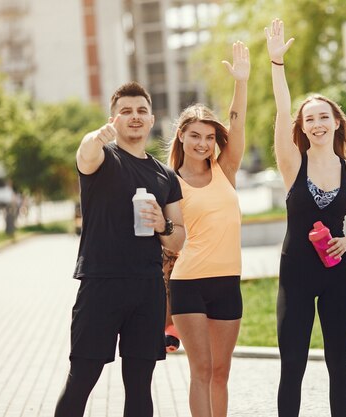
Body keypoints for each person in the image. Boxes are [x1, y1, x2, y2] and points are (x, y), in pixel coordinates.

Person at [54, 82, 186, 417]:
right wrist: (96, 137)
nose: (135, 117)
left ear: (152, 118)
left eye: (141, 110)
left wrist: (163, 226)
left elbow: (179, 238)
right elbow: (85, 154)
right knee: (83, 377)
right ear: (114, 118)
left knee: (140, 384)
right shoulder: (102, 158)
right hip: (101, 283)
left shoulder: (165, 176)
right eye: (126, 111)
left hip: (147, 287)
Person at [266, 19, 346, 417]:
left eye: (323, 117)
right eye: (309, 118)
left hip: (337, 277)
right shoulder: (293, 163)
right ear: (302, 127)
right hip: (295, 275)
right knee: (292, 366)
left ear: (337, 122)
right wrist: (277, 64)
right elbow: (281, 109)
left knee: (338, 366)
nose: (316, 123)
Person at [166, 41, 250, 417]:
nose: (203, 143)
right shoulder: (167, 182)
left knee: (221, 372)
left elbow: (237, 121)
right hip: (188, 284)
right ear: (182, 136)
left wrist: (241, 83)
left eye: (209, 137)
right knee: (200, 371)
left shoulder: (225, 170)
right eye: (195, 135)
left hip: (227, 282)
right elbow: (168, 237)